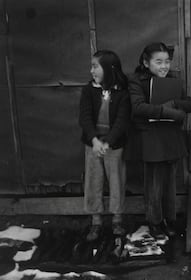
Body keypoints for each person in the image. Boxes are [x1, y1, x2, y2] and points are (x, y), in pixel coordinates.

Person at [129, 42, 191, 238]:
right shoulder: (136, 81)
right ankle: (155, 221)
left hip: (171, 137)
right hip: (150, 138)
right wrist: (170, 112)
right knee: (154, 184)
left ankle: (170, 219)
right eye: (158, 62)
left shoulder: (174, 80)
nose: (164, 66)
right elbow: (137, 107)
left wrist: (174, 103)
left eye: (167, 62)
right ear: (146, 63)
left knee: (170, 183)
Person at [79, 50, 130, 241]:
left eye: (95, 66)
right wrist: (94, 140)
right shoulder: (88, 90)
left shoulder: (121, 92)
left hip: (113, 146)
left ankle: (117, 219)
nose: (91, 70)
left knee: (117, 181)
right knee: (94, 181)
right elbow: (84, 117)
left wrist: (107, 141)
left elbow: (122, 121)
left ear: (109, 69)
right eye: (91, 66)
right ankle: (96, 221)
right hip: (92, 144)